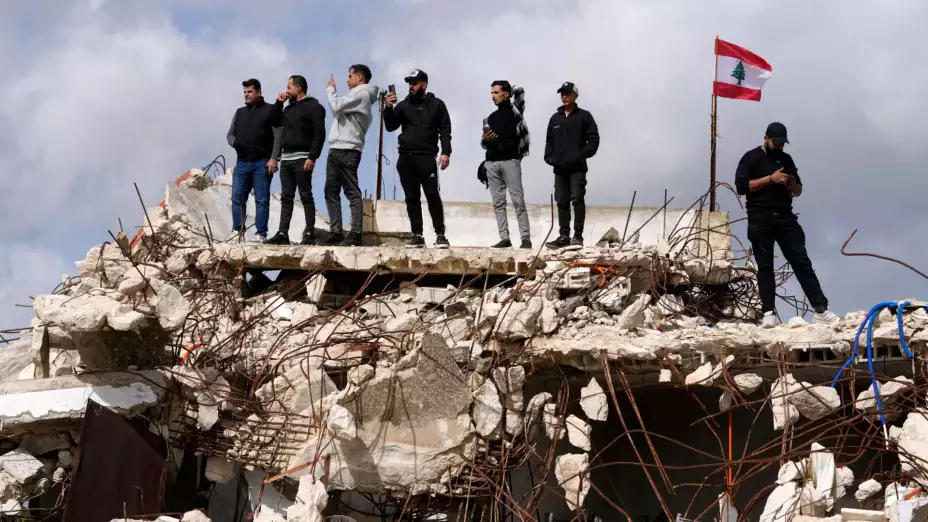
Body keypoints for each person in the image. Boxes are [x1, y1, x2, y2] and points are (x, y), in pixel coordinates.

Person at [734, 122, 839, 326]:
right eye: (777, 142)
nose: (780, 146)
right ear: (766, 139)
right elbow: (742, 187)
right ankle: (768, 314)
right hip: (760, 216)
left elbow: (798, 191)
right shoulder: (751, 158)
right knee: (765, 266)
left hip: (785, 217)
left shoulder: (786, 159)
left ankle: (820, 309)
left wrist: (791, 183)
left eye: (783, 143)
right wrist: (770, 179)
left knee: (802, 261)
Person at [383, 69, 452, 249]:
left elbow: (445, 130)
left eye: (414, 83)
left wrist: (446, 152)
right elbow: (390, 126)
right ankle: (417, 235)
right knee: (411, 198)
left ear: (424, 84)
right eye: (409, 83)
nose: (410, 87)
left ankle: (440, 235)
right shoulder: (403, 105)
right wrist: (388, 108)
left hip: (427, 157)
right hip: (406, 158)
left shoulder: (437, 104)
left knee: (432, 196)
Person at [265, 75, 326, 246]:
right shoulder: (288, 109)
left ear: (298, 88)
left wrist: (312, 157)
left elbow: (319, 134)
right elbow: (273, 120)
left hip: (303, 158)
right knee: (287, 197)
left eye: (289, 87)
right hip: (287, 158)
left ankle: (309, 232)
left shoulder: (315, 107)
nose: (286, 90)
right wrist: (279, 103)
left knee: (305, 195)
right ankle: (283, 233)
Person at [324, 64, 380, 246]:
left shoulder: (361, 94)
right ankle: (336, 232)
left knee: (350, 191)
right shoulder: (356, 95)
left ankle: (355, 233)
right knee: (330, 190)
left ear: (359, 78)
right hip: (337, 147)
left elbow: (336, 107)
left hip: (348, 148)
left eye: (350, 76)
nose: (347, 80)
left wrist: (331, 90)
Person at [543, 82, 600, 249]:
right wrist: (548, 157)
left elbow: (594, 139)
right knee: (561, 201)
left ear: (575, 95)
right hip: (559, 168)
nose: (564, 96)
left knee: (577, 199)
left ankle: (577, 236)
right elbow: (549, 140)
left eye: (567, 93)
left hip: (577, 167)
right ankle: (563, 236)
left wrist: (581, 154)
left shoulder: (584, 116)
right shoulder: (555, 118)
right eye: (562, 93)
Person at [226, 78, 283, 242]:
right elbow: (230, 134)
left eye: (249, 92)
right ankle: (237, 231)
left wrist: (274, 158)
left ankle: (261, 234)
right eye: (244, 92)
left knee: (262, 199)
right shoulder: (240, 112)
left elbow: (278, 134)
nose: (246, 95)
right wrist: (236, 143)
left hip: (262, 162)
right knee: (237, 198)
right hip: (242, 163)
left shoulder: (270, 110)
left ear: (259, 92)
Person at [481, 81, 531, 249]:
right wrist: (486, 140)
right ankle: (504, 238)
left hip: (511, 160)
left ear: (506, 94)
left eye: (496, 92)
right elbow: (483, 142)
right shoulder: (490, 117)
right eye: (492, 93)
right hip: (492, 162)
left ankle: (525, 238)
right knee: (498, 203)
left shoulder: (515, 111)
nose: (493, 96)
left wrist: (510, 90)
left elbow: (520, 91)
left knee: (518, 200)